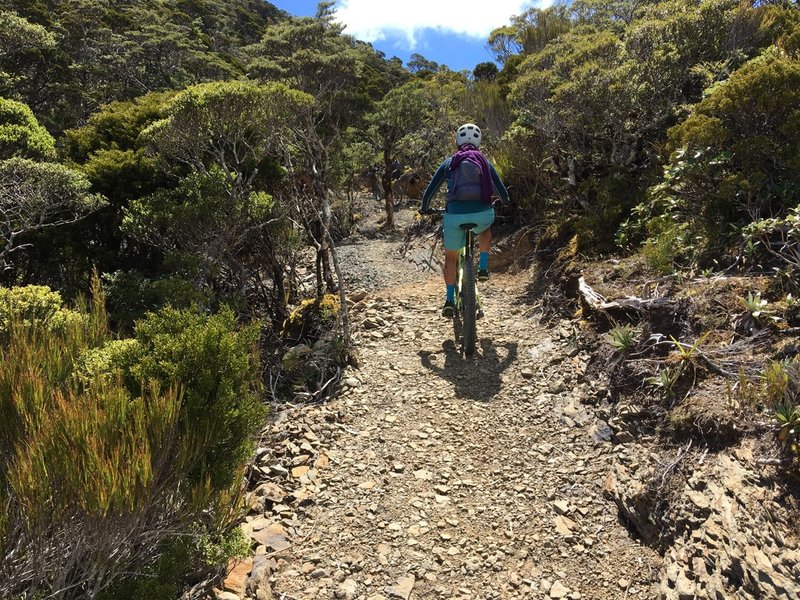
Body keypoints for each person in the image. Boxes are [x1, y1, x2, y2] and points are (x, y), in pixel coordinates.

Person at [419, 123, 510, 317]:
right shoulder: (484, 162)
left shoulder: (449, 163)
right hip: (482, 214)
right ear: (478, 142)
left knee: (450, 258)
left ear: (457, 141)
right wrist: (505, 201)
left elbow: (430, 191)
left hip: (454, 216)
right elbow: (502, 190)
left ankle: (449, 299)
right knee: (485, 230)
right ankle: (483, 266)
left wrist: (425, 207)